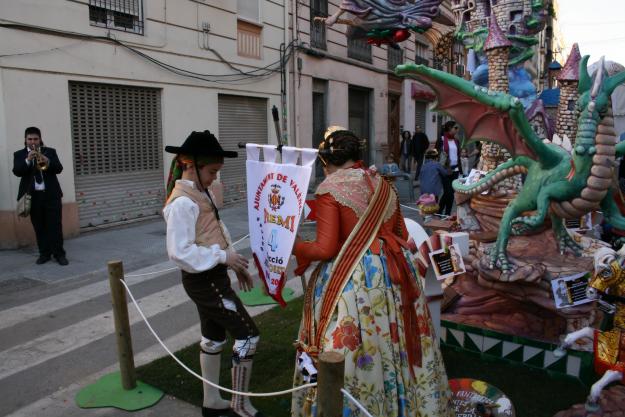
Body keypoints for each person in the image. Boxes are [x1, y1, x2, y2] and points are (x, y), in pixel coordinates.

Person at [291, 126, 452, 417]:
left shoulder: (330, 188)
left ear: (326, 160)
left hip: (355, 279)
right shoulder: (384, 185)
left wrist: (296, 247)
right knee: (399, 340)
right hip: (397, 271)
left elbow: (325, 249)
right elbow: (402, 233)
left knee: (354, 346)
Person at [163, 130, 264, 417]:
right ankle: (240, 405)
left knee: (214, 338)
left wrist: (233, 262)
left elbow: (216, 230)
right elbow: (179, 252)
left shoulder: (199, 192)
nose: (214, 178)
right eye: (212, 172)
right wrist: (223, 257)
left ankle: (212, 402)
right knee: (247, 336)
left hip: (211, 276)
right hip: (203, 280)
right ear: (191, 165)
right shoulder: (182, 202)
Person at [12, 126, 68, 265]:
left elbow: (59, 169)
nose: (33, 142)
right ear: (25, 140)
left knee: (55, 226)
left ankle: (59, 254)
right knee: (39, 227)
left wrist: (46, 160)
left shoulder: (50, 151)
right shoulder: (19, 154)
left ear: (40, 139)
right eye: (30, 139)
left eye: (35, 139)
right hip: (33, 197)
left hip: (51, 195)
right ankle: (44, 254)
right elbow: (17, 171)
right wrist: (27, 160)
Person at [436, 121, 462, 216]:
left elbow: (458, 156)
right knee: (448, 192)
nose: (457, 130)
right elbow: (437, 154)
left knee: (451, 194)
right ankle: (439, 211)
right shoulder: (442, 140)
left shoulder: (456, 141)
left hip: (455, 170)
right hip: (445, 169)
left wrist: (460, 170)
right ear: (449, 128)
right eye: (455, 128)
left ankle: (447, 214)